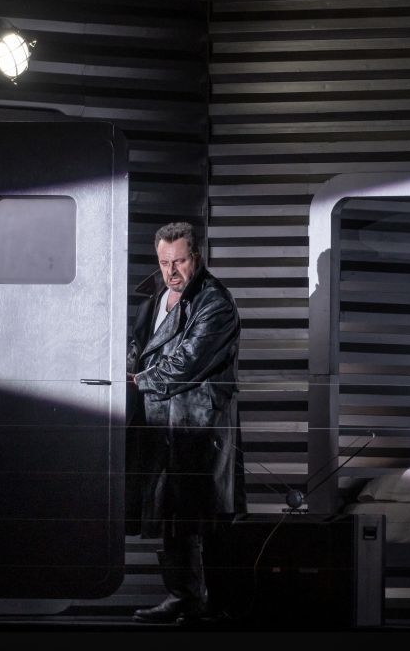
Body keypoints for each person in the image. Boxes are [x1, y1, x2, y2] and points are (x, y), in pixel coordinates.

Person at [125, 221, 246, 625]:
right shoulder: (155, 297)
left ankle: (220, 605)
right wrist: (126, 370)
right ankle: (184, 597)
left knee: (207, 515)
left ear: (196, 256)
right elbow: (138, 346)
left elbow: (188, 361)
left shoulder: (215, 302)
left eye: (179, 261)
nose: (171, 271)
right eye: (164, 262)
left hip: (199, 423)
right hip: (162, 421)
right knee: (172, 512)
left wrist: (139, 381)